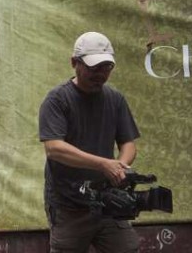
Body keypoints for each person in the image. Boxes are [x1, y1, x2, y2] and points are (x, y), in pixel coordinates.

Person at [39, 31, 140, 253]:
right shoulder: (57, 99)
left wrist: (121, 167)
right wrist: (104, 164)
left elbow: (128, 143)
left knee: (128, 248)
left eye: (106, 68)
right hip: (69, 205)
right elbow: (54, 148)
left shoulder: (115, 99)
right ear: (74, 63)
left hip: (108, 201)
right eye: (94, 68)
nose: (101, 74)